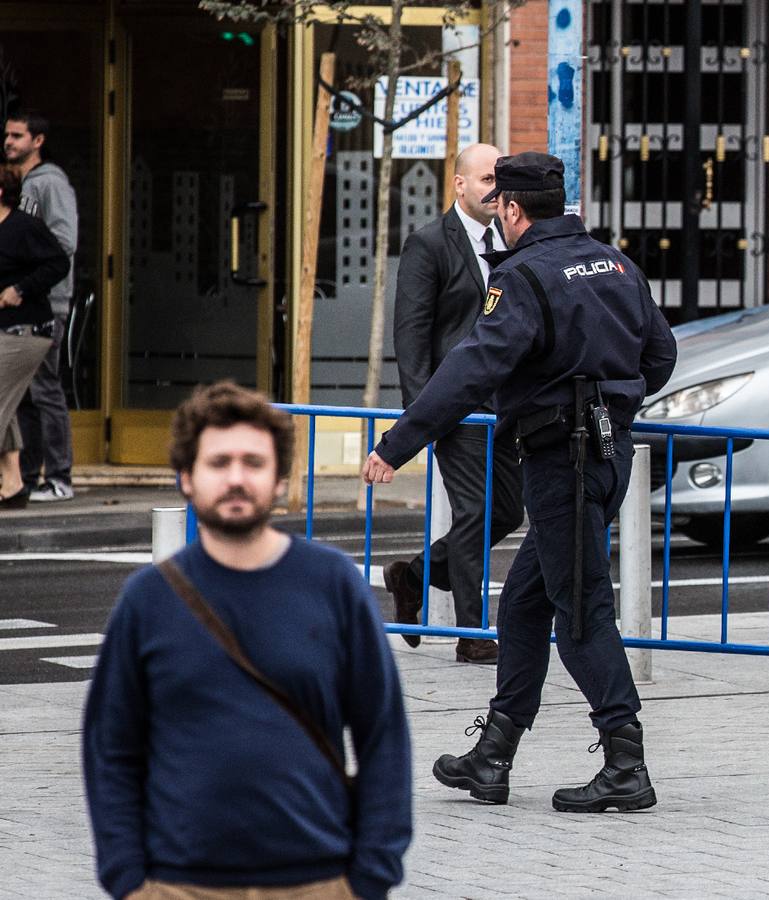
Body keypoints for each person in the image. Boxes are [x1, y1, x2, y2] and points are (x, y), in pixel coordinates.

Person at [362, 151, 676, 813]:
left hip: (562, 459)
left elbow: (473, 367)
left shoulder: (526, 276)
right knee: (526, 607)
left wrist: (398, 443)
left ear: (510, 208)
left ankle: (626, 761)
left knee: (582, 615)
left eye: (499, 206)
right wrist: (611, 399)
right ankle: (493, 753)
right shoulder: (615, 262)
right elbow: (661, 354)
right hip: (605, 452)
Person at [83, 381, 411, 899]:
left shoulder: (332, 585)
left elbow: (383, 737)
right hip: (179, 885)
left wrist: (370, 876)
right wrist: (128, 879)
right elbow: (110, 748)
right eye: (219, 463)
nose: (236, 478)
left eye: (253, 463)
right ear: (186, 477)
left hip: (318, 881)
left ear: (280, 480)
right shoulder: (148, 601)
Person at [381, 142, 520, 664]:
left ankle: (413, 575)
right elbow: (411, 336)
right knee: (477, 510)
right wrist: (424, 415)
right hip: (453, 405)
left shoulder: (512, 239)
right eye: (486, 179)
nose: (495, 189)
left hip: (503, 404)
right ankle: (471, 635)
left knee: (507, 509)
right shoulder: (430, 244)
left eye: (500, 179)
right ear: (459, 185)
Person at [5, 112, 78, 502]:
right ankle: (29, 476)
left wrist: (27, 280)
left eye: (18, 135)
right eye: (7, 135)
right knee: (27, 394)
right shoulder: (24, 186)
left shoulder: (50, 184)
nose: (9, 141)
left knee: (45, 388)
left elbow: (65, 242)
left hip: (48, 302)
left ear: (38, 140)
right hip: (26, 306)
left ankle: (60, 476)